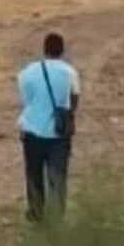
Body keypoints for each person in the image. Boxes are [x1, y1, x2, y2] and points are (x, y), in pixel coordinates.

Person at [17, 32, 80, 221]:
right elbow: (74, 98)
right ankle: (57, 217)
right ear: (62, 50)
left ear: (44, 49)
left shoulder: (28, 72)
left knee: (34, 174)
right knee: (58, 178)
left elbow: (27, 100)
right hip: (59, 135)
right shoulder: (70, 72)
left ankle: (36, 213)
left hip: (33, 131)